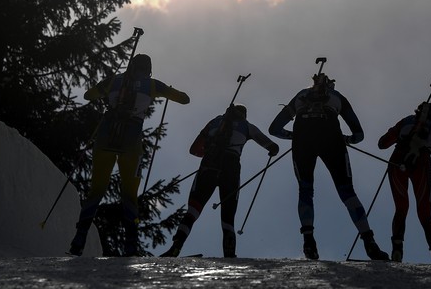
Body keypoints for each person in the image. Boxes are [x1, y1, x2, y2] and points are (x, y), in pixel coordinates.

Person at [68, 54, 190, 257]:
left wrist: (108, 92)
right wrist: (166, 90)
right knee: (130, 196)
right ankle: (130, 247)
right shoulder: (153, 85)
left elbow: (88, 96)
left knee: (96, 190)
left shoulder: (114, 81)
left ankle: (78, 240)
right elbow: (185, 99)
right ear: (148, 69)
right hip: (131, 144)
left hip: (105, 138)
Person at [269, 72, 390, 261]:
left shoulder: (301, 95)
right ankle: (369, 242)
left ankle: (308, 241)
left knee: (305, 190)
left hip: (302, 141)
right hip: (331, 139)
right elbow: (359, 134)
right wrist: (347, 140)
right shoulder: (338, 97)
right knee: (347, 192)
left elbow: (274, 129)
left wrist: (293, 137)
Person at [160, 104, 279, 258]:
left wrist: (211, 154)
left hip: (208, 166)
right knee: (228, 215)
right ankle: (229, 254)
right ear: (244, 115)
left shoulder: (215, 121)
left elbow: (194, 149)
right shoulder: (247, 126)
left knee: (193, 210)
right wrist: (272, 150)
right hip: (231, 167)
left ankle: (175, 248)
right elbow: (272, 146)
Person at [377, 102, 431, 264]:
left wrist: (395, 134)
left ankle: (397, 249)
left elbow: (382, 144)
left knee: (401, 207)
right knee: (424, 213)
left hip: (398, 160)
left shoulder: (406, 121)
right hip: (421, 164)